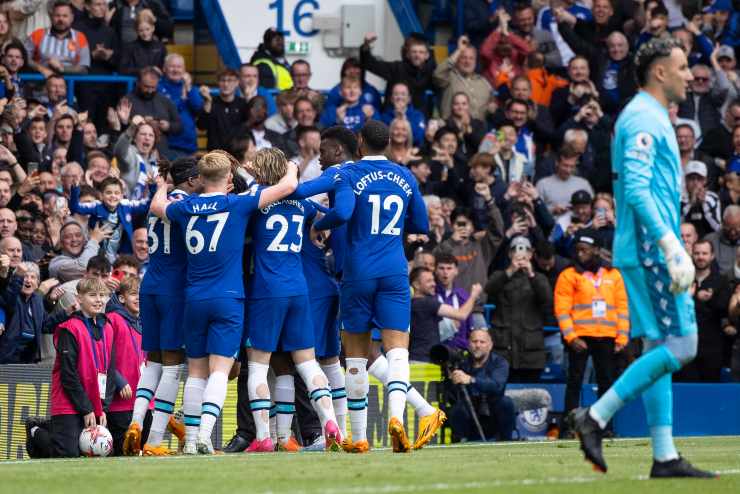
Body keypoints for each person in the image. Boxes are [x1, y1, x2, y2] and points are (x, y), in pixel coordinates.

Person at [570, 37, 715, 478]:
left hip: (649, 249)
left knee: (657, 347)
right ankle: (595, 415)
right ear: (660, 72)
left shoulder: (648, 116)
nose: (689, 75)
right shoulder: (642, 118)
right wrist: (671, 245)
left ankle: (665, 455)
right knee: (682, 344)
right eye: (683, 67)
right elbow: (635, 189)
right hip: (653, 251)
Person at [149, 149, 298, 454]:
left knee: (196, 372)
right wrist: (293, 166)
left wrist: (162, 185)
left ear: (200, 178)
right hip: (228, 299)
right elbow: (287, 187)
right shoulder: (237, 203)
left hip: (194, 298)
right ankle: (204, 434)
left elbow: (156, 206)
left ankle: (190, 442)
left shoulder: (186, 207)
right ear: (229, 178)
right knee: (220, 371)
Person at [309, 120, 428, 452]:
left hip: (356, 272)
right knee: (397, 350)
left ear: (358, 142)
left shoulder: (348, 174)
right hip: (393, 270)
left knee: (356, 356)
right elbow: (422, 223)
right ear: (389, 143)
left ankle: (359, 437)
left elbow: (341, 211)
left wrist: (319, 220)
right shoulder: (405, 176)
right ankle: (398, 419)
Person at [243, 149, 342, 453]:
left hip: (267, 289)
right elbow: (321, 212)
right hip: (299, 288)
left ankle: (262, 437)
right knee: (308, 363)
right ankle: (331, 423)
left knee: (258, 365)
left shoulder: (256, 197)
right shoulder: (302, 203)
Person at [123, 157, 200, 456]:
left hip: (150, 283)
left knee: (152, 362)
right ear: (191, 181)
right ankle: (154, 441)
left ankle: (135, 423)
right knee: (172, 365)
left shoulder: (157, 203)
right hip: (174, 290)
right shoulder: (185, 207)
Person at [25, 277, 116, 458]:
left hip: (93, 400)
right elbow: (68, 375)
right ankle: (36, 431)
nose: (98, 300)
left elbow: (110, 371)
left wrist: (103, 407)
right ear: (79, 298)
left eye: (102, 295)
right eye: (92, 295)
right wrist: (86, 409)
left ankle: (52, 428)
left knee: (94, 453)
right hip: (68, 400)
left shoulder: (108, 328)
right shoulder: (69, 328)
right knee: (67, 454)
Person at [554, 230, 629, 435]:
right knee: (574, 383)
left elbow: (622, 308)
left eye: (585, 250)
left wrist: (622, 336)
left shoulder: (613, 275)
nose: (580, 254)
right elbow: (562, 310)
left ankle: (605, 427)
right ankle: (568, 428)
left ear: (596, 250)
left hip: (607, 335)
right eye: (577, 250)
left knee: (606, 382)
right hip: (580, 336)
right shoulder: (568, 275)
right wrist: (571, 337)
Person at [485, 236, 553, 383]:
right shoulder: (499, 275)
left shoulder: (539, 278)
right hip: (503, 349)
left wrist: (531, 275)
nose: (521, 254)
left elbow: (547, 301)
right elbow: (489, 290)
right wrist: (509, 272)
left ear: (531, 254)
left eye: (525, 250)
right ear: (510, 254)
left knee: (530, 395)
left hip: (530, 353)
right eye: (516, 250)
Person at [448, 328, 516, 442]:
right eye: (474, 341)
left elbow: (496, 386)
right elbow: (452, 395)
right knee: (456, 409)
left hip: (492, 412)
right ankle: (460, 442)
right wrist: (452, 380)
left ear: (490, 345)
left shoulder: (500, 362)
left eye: (482, 342)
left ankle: (506, 442)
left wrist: (471, 380)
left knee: (506, 403)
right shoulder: (461, 363)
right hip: (469, 413)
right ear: (469, 344)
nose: (478, 345)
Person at [69, 176, 152, 262]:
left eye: (117, 193)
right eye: (108, 192)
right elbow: (75, 208)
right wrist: (75, 189)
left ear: (122, 195)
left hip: (121, 255)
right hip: (99, 254)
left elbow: (146, 205)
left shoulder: (126, 205)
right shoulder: (96, 206)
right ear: (101, 195)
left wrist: (152, 186)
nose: (113, 196)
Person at [106, 276, 144, 456]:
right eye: (133, 294)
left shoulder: (145, 322)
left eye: (141, 294)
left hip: (145, 403)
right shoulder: (113, 319)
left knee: (143, 453)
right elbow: (103, 355)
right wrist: (119, 381)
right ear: (121, 298)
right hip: (120, 404)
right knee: (124, 454)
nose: (138, 298)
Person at [433, 35, 492, 121]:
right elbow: (438, 74)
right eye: (463, 57)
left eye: (471, 58)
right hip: (452, 129)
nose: (467, 61)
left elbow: (492, 99)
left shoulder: (483, 81)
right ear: (457, 59)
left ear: (475, 61)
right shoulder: (449, 76)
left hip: (477, 131)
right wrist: (459, 50)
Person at [25, 0, 90, 77]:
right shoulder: (38, 34)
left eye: (65, 16)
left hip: (70, 85)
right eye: (57, 15)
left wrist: (62, 69)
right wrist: (42, 69)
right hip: (41, 85)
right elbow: (24, 57)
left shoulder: (80, 37)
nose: (61, 19)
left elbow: (84, 68)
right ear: (51, 17)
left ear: (72, 18)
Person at [197, 68, 248, 151]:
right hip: (215, 155)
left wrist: (249, 97)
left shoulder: (242, 104)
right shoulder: (210, 102)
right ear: (218, 82)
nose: (226, 84)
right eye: (222, 80)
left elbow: (250, 125)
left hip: (237, 155)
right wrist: (207, 102)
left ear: (237, 83)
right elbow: (201, 126)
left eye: (230, 80)